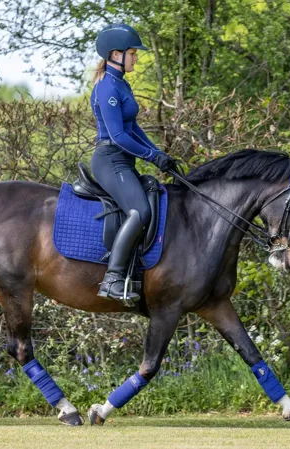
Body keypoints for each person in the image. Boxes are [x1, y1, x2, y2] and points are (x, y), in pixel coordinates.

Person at [90, 23, 179, 304]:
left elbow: (133, 128)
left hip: (123, 161)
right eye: (132, 53)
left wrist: (160, 155)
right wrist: (151, 156)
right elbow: (117, 136)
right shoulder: (107, 89)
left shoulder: (121, 83)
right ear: (115, 54)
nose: (136, 58)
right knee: (139, 211)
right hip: (109, 160)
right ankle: (113, 279)